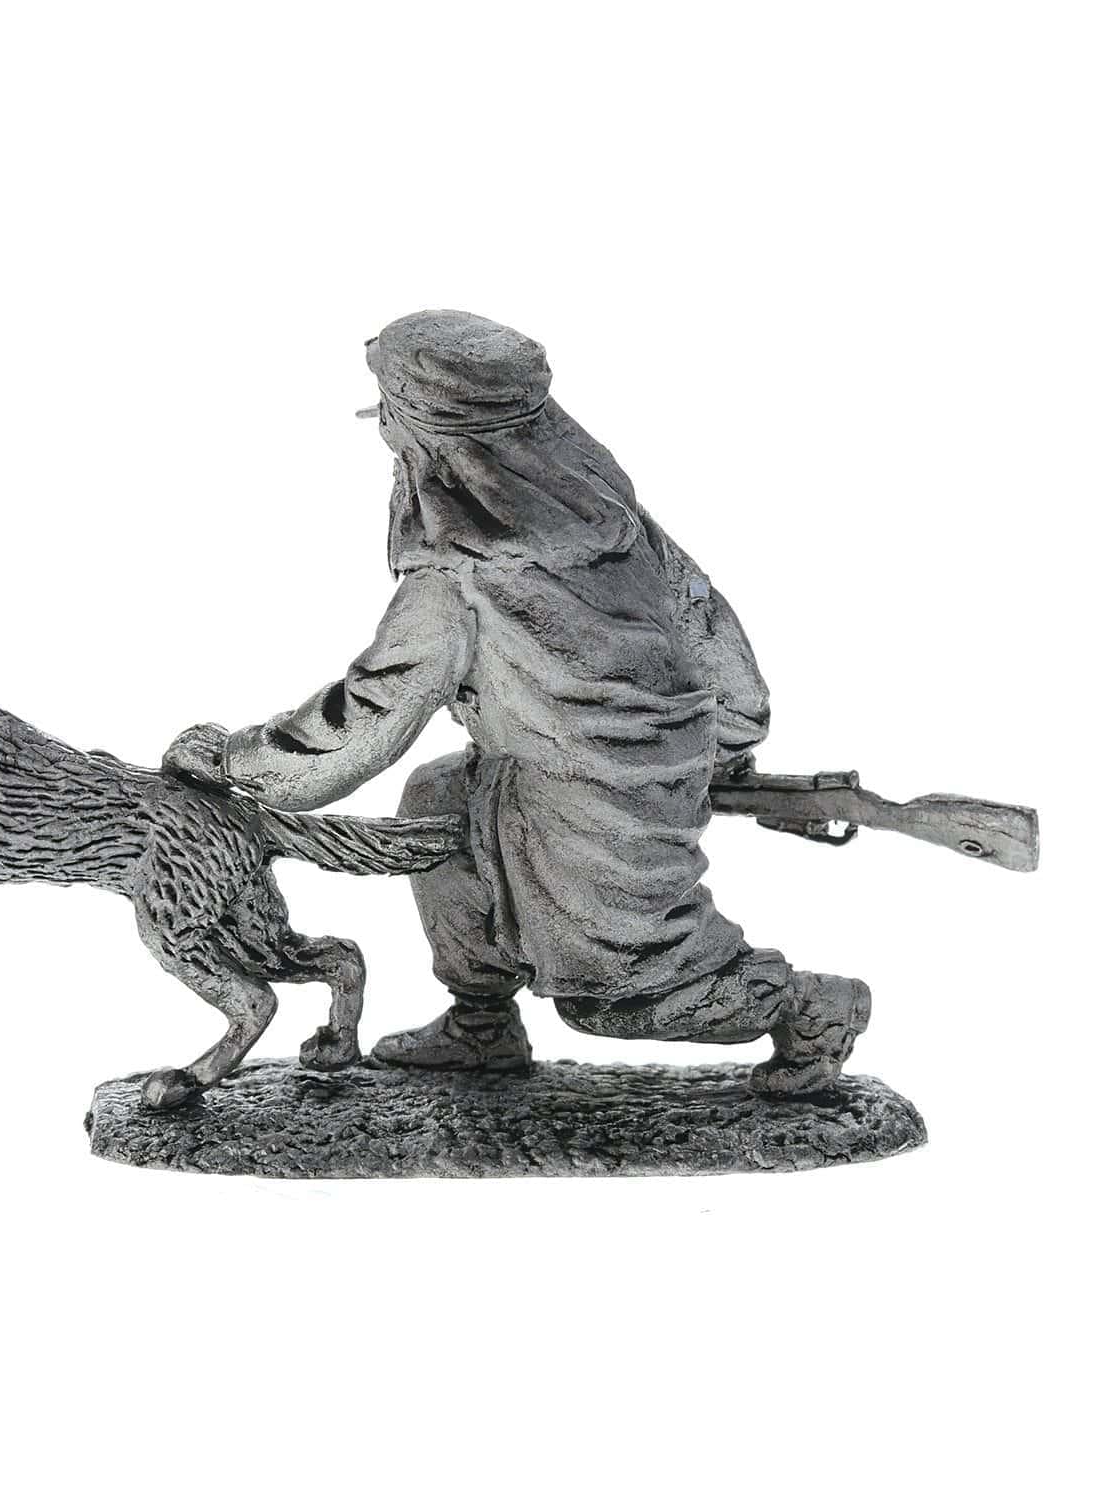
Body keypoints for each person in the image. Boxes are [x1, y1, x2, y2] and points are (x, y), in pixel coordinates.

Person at [165, 310, 868, 1095]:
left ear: (435, 438)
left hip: (602, 795)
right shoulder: (607, 517)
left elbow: (371, 713)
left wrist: (237, 763)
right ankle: (481, 1025)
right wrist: (728, 737)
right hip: (535, 769)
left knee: (619, 992)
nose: (386, 433)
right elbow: (709, 628)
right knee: (442, 807)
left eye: (392, 416)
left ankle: (808, 1006)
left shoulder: (456, 577)